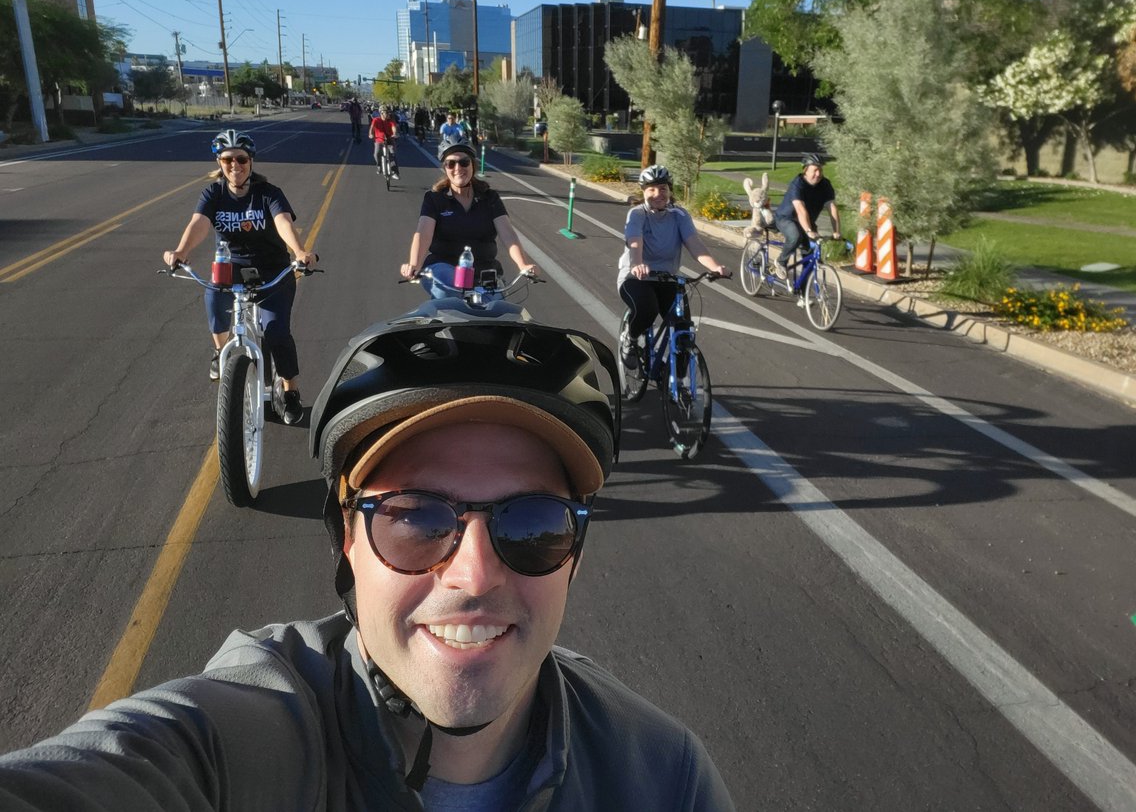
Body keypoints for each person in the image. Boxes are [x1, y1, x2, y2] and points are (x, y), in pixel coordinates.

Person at [0, 307, 735, 811]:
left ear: (574, 554)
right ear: (344, 539)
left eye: (534, 524)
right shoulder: (244, 748)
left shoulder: (663, 776)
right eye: (415, 517)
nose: (475, 575)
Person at [161, 129, 316, 424]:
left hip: (273, 269)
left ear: (251, 161)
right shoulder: (213, 193)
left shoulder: (268, 193)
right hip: (230, 267)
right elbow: (199, 223)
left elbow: (282, 221)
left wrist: (299, 251)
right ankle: (220, 351)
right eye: (228, 159)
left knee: (276, 331)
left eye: (241, 159)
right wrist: (181, 251)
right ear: (219, 162)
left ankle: (290, 391)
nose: (235, 165)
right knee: (214, 300)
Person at [617, 164, 731, 370]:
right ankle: (631, 339)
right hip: (636, 278)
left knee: (683, 331)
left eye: (662, 188)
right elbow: (635, 241)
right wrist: (637, 263)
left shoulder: (679, 215)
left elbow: (694, 244)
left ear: (670, 190)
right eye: (651, 189)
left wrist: (715, 267)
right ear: (643, 191)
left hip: (667, 279)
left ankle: (678, 385)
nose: (658, 194)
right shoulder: (637, 214)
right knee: (647, 309)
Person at [400, 139, 538, 298]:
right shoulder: (434, 199)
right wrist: (414, 265)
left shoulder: (489, 198)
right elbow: (423, 234)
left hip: (483, 271)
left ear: (473, 165)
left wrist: (523, 264)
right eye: (451, 164)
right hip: (442, 268)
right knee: (447, 296)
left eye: (464, 162)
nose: (458, 168)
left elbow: (508, 234)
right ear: (445, 168)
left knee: (497, 310)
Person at [773, 154, 841, 284]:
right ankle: (781, 261)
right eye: (814, 170)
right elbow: (800, 209)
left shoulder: (825, 185)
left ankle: (802, 294)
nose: (818, 173)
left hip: (807, 223)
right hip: (786, 218)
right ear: (806, 170)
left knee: (812, 256)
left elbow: (832, 207)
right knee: (796, 236)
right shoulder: (798, 184)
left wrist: (837, 231)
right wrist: (809, 231)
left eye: (820, 170)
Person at [369, 104, 399, 179]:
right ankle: (379, 166)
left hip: (389, 139)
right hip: (379, 140)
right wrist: (371, 134)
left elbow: (393, 128)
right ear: (381, 113)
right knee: (376, 154)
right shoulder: (376, 120)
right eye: (386, 112)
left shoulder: (391, 121)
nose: (388, 114)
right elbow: (372, 128)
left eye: (388, 112)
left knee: (392, 154)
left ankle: (395, 172)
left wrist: (394, 134)